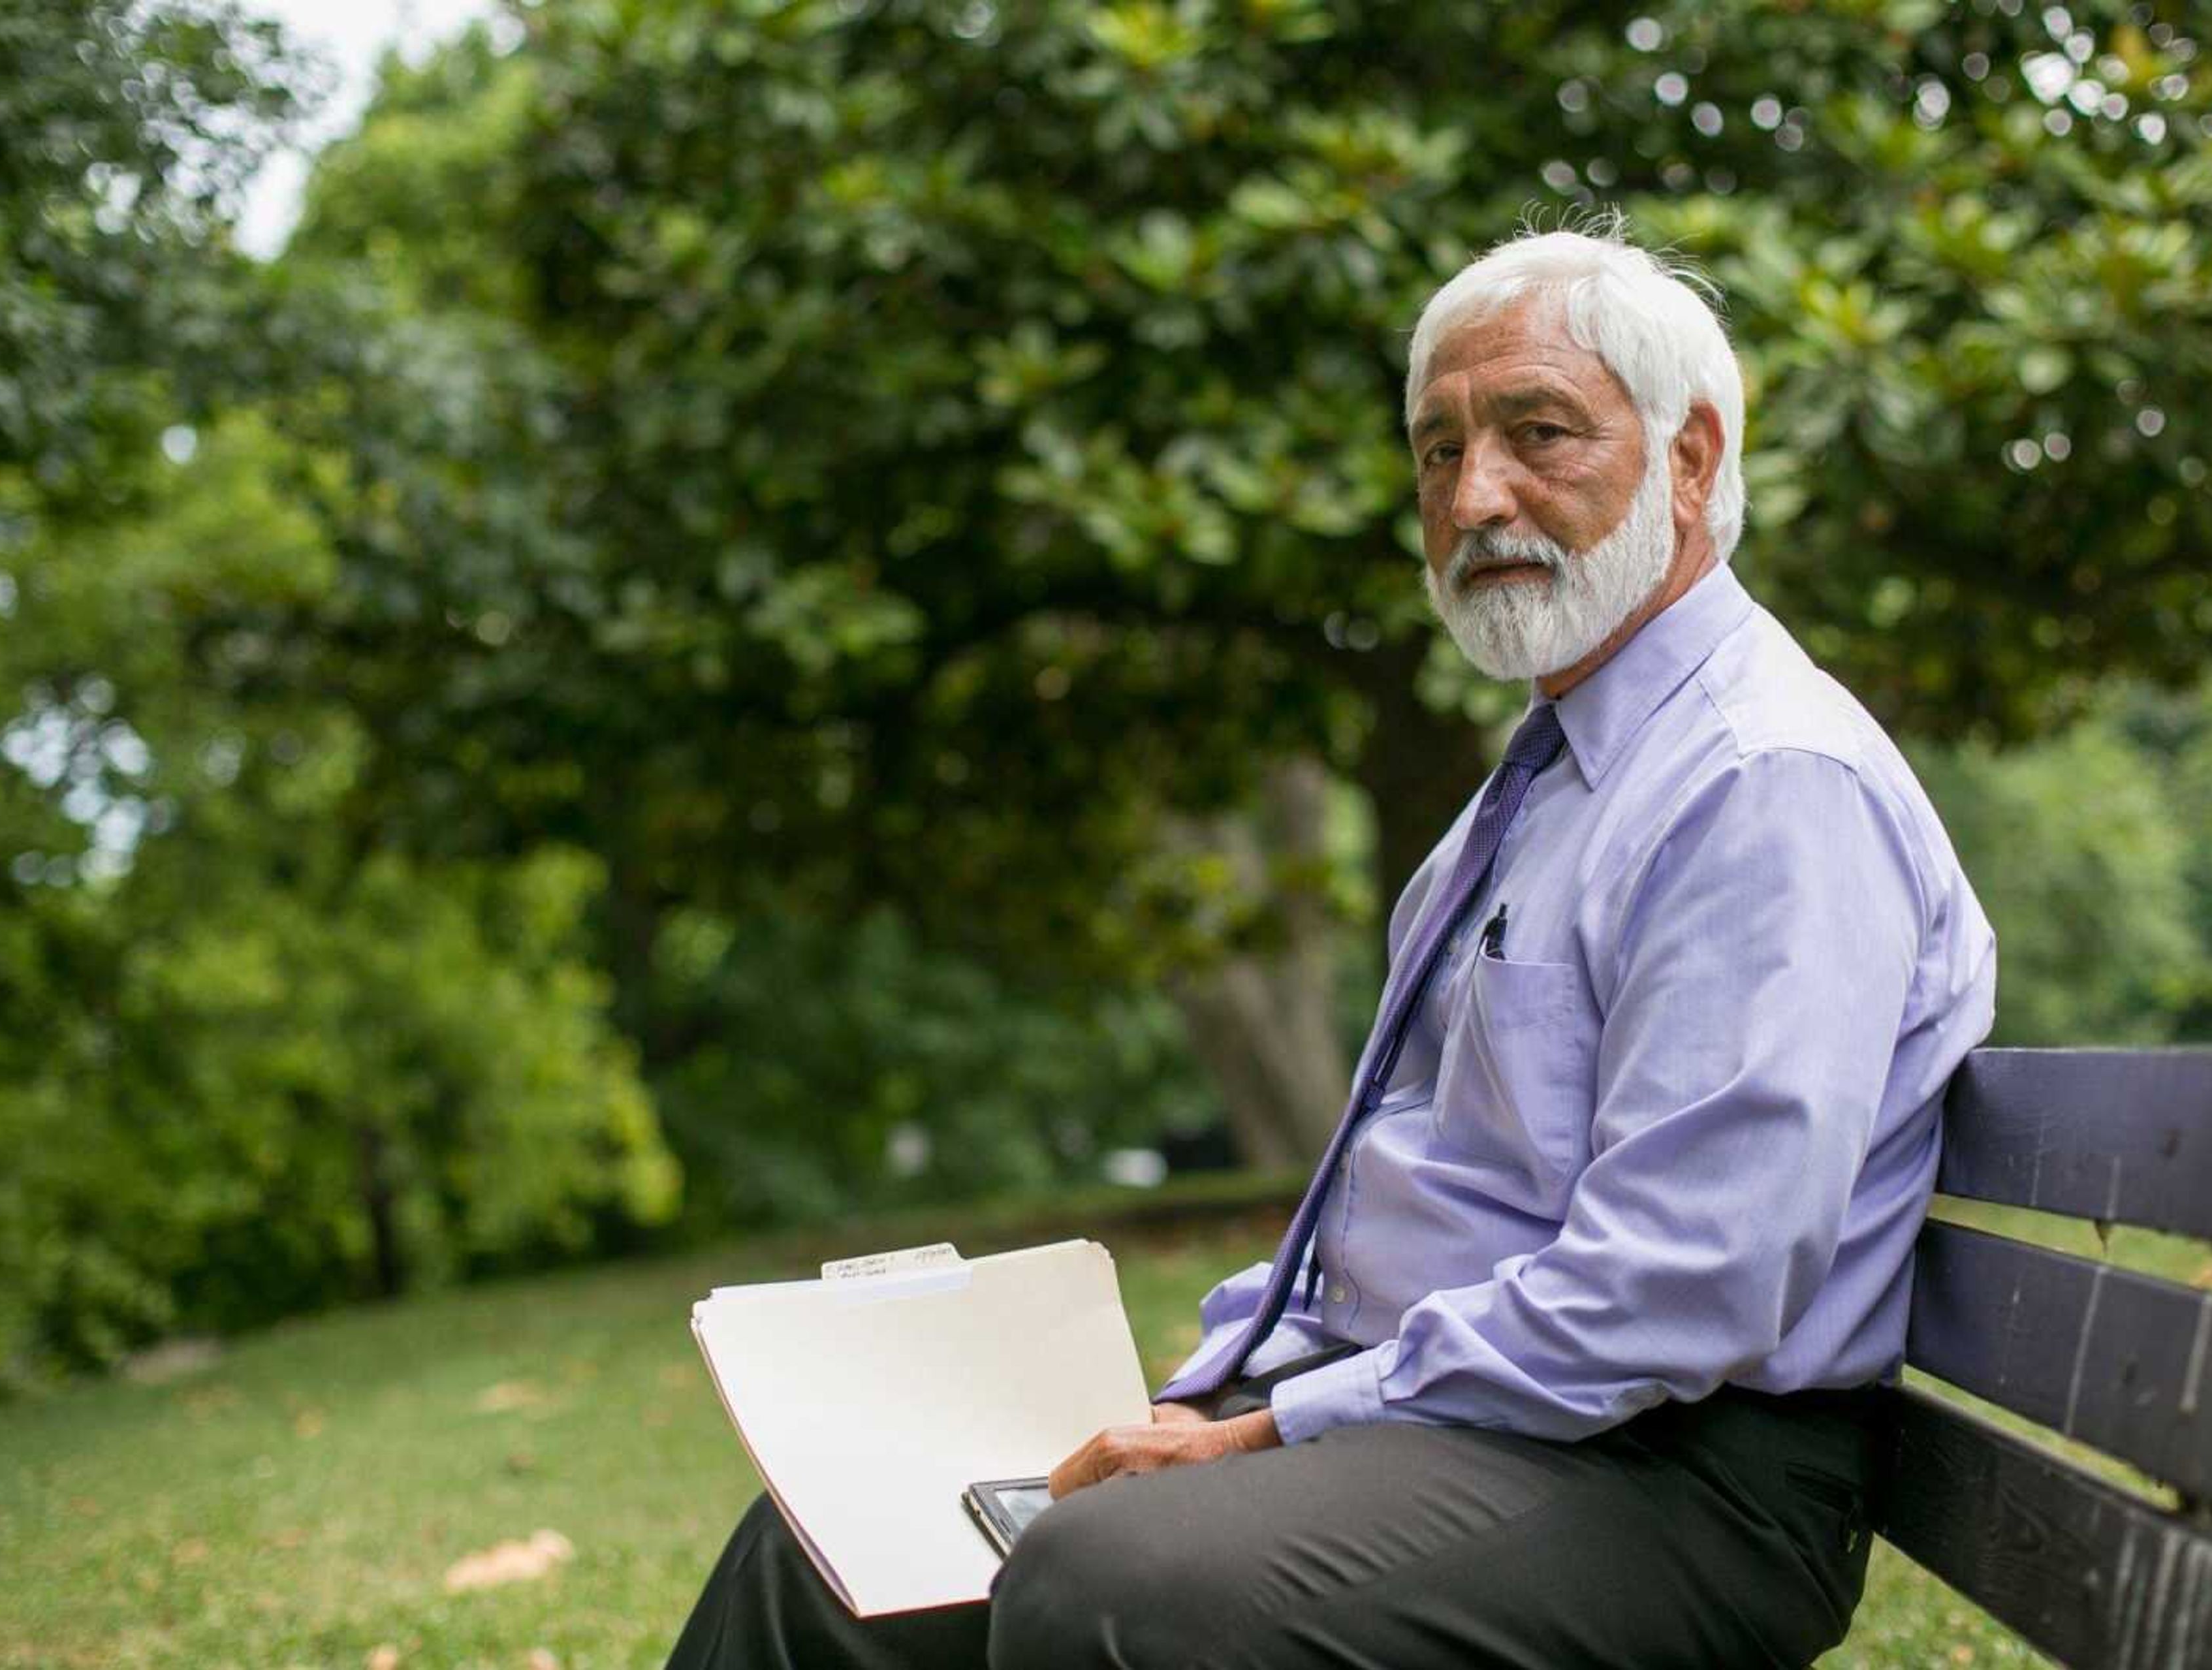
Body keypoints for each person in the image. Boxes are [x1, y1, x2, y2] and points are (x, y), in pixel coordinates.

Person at [663, 217, 1997, 1670]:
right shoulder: (1540, 786)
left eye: (1538, 432)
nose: (1477, 494)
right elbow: (1410, 1200)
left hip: (1683, 1481)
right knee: (832, 1556)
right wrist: (1209, 1388)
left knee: (1106, 1580)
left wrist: (1270, 1423)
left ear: (1689, 460)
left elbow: (1683, 1288)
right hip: (1481, 1425)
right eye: (1438, 450)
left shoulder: (1763, 784)